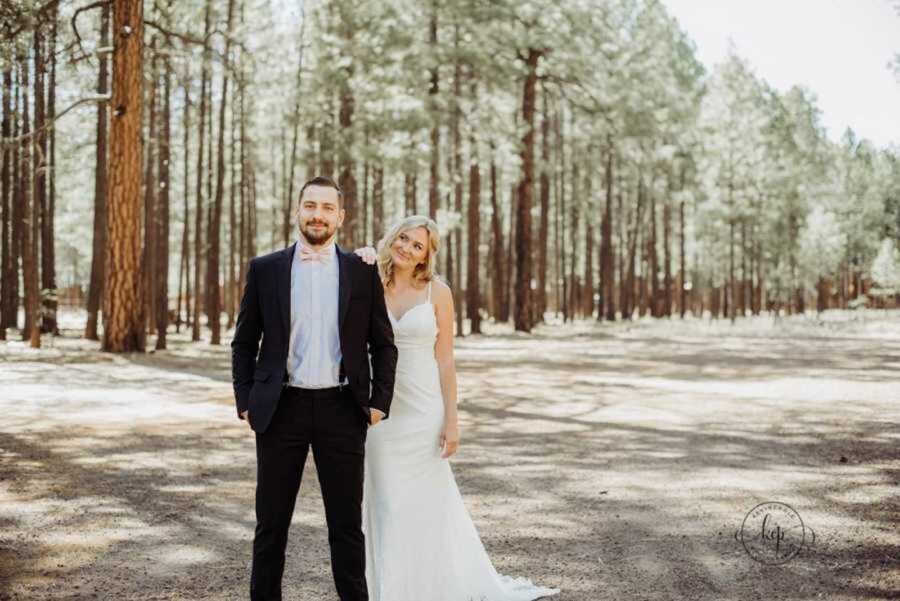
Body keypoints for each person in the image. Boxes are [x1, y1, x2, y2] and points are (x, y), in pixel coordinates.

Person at [354, 215, 561, 601]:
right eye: (403, 238)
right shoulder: (369, 282)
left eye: (418, 246)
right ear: (392, 238)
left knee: (426, 503)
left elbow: (445, 360)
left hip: (424, 407)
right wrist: (358, 256)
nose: (407, 248)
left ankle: (431, 587)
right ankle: (389, 588)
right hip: (382, 409)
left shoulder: (437, 293)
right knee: (385, 502)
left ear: (425, 257)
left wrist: (452, 419)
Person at [231, 175, 397, 601]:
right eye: (310, 206)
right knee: (271, 525)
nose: (317, 215)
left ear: (340, 217)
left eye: (327, 208)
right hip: (279, 408)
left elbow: (383, 343)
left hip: (343, 410)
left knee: (345, 526)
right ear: (297, 211)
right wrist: (245, 400)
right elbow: (244, 341)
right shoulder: (265, 269)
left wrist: (379, 402)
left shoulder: (362, 272)